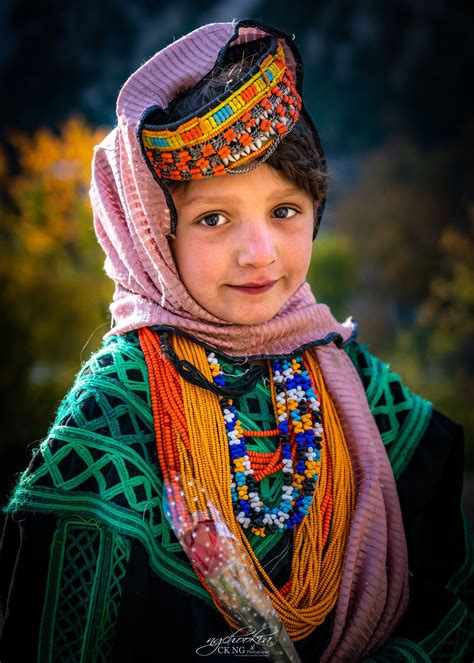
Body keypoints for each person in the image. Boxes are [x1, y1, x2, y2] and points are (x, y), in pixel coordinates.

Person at [1, 19, 472, 663]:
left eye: (284, 212)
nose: (259, 254)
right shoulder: (117, 410)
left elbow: (455, 588)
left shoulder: (346, 373)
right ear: (155, 239)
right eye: (213, 218)